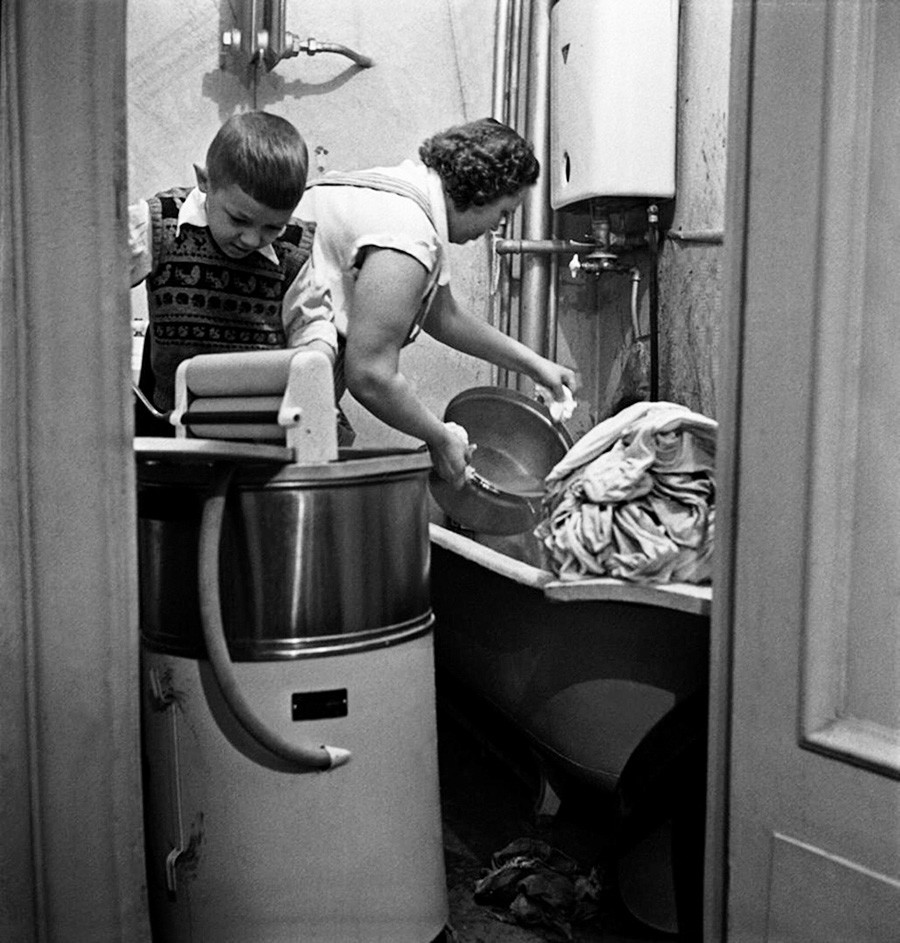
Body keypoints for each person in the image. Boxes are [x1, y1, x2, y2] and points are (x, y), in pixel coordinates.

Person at [291, 117, 578, 488]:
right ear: (481, 194)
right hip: (265, 364)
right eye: (503, 213)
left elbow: (443, 316)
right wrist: (440, 437)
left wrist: (535, 365)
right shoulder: (407, 235)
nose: (497, 227)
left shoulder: (410, 197)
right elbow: (371, 376)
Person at [129, 111, 336, 434]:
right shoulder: (159, 223)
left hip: (260, 430)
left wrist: (313, 369)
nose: (252, 239)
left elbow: (312, 328)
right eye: (239, 220)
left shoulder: (295, 250)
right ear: (205, 181)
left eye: (272, 227)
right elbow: (89, 278)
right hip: (168, 425)